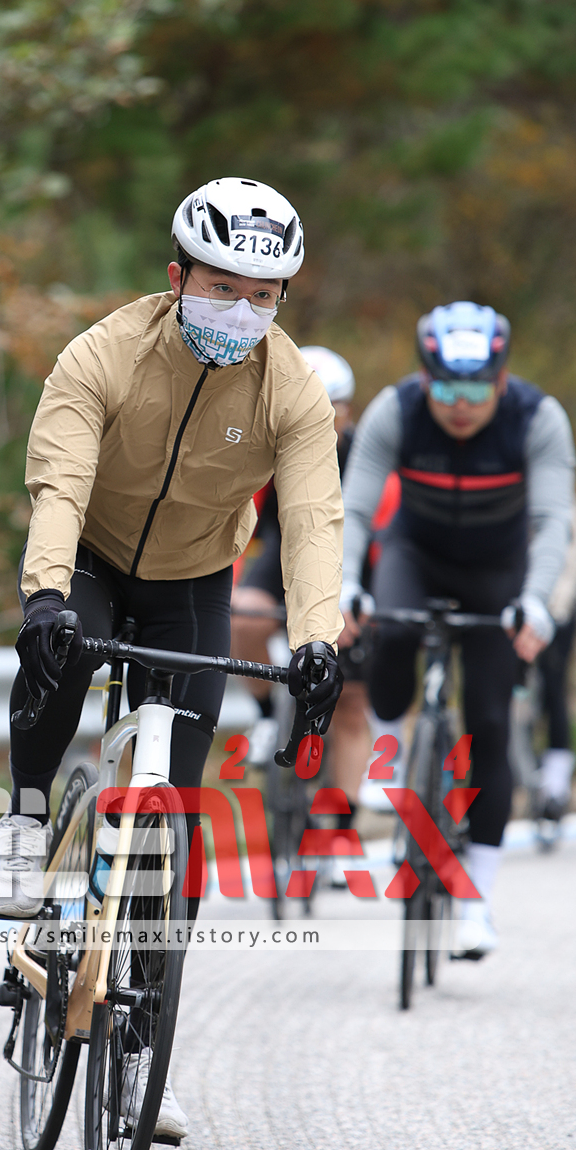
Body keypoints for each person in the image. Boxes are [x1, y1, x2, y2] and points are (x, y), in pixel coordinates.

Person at [0, 178, 347, 1137]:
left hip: (194, 577)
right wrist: (45, 597)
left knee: (176, 805)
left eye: (264, 297)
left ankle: (145, 1045)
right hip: (93, 557)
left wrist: (317, 637)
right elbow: (59, 485)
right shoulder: (101, 353)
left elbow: (314, 519)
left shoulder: (293, 390)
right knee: (61, 662)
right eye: (223, 288)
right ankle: (26, 816)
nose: (244, 312)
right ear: (177, 278)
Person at [341, 302, 576, 957]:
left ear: (501, 379)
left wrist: (536, 601)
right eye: (446, 391)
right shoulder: (396, 410)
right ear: (425, 379)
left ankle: (476, 902)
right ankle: (390, 754)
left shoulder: (538, 417)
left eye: (477, 390)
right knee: (389, 631)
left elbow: (553, 522)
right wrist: (346, 582)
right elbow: (354, 508)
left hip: (499, 570)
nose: (461, 406)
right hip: (415, 553)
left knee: (490, 725)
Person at [231, 345, 372, 881]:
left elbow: (384, 529)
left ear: (347, 412)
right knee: (242, 615)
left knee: (351, 704)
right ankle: (268, 717)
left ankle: (339, 833)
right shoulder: (267, 447)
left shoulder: (365, 456)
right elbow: (240, 523)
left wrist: (360, 598)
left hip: (354, 565)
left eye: (328, 407)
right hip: (284, 558)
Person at [535, 495, 576, 819]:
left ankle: (557, 780)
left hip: (559, 605)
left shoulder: (567, 505)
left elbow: (574, 564)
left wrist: (556, 610)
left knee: (554, 684)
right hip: (515, 606)